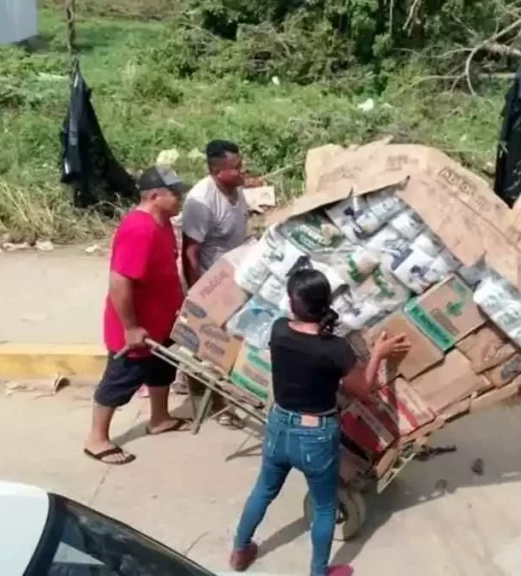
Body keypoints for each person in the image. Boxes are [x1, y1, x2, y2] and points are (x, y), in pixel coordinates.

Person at [229, 269, 410, 576]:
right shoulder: (335, 349)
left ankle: (239, 550)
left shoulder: (279, 330)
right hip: (315, 436)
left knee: (263, 490)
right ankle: (318, 572)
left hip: (279, 425)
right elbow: (363, 389)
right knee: (325, 506)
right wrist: (378, 353)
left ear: (293, 304)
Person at [83, 166, 190, 466]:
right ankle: (97, 438)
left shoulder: (164, 222)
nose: (180, 198)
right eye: (174, 193)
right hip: (135, 329)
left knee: (163, 370)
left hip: (162, 321)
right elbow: (119, 281)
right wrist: (131, 326)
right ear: (155, 195)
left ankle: (159, 418)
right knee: (120, 380)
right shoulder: (138, 228)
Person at [180, 140, 262, 421]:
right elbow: (189, 250)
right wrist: (198, 294)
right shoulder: (201, 201)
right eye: (236, 167)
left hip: (235, 277)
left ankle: (199, 385)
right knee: (215, 346)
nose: (242, 171)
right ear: (217, 172)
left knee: (230, 339)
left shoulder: (236, 190)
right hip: (211, 282)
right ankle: (217, 405)